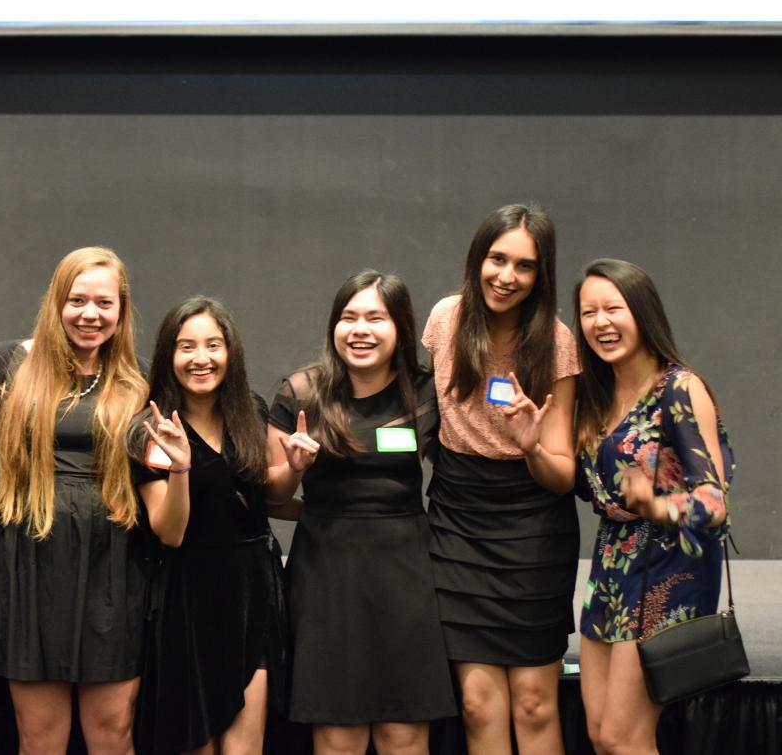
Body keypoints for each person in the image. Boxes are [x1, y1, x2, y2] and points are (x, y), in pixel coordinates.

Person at [266, 270, 455, 755]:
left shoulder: (427, 393)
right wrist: (293, 470)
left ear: (401, 327)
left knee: (403, 733)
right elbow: (269, 495)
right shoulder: (300, 393)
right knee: (338, 734)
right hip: (327, 575)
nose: (360, 329)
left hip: (407, 575)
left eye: (376, 317)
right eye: (348, 317)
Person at [422, 204, 579, 755]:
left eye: (525, 266)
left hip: (533, 519)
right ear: (478, 258)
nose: (506, 277)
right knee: (477, 703)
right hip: (458, 520)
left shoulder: (555, 340)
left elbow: (562, 477)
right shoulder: (445, 319)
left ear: (541, 276)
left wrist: (531, 443)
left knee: (535, 702)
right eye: (497, 259)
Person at [0, 246, 149, 754]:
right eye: (77, 300)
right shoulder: (12, 362)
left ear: (121, 311)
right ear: (56, 302)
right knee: (39, 739)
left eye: (104, 303)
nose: (89, 315)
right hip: (30, 565)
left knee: (114, 734)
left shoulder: (139, 379)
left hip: (113, 567)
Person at [573, 258, 732, 755]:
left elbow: (714, 500)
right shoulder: (596, 396)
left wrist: (659, 506)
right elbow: (593, 487)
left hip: (670, 565)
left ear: (642, 313)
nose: (601, 323)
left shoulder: (678, 389)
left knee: (625, 736)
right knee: (600, 734)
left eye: (613, 308)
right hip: (613, 563)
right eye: (588, 312)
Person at [129, 296, 287, 754]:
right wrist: (181, 468)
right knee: (195, 742)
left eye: (213, 345)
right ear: (168, 356)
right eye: (187, 347)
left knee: (245, 746)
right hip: (188, 597)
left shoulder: (250, 412)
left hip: (252, 594)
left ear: (230, 353)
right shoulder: (149, 428)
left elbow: (264, 499)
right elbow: (170, 532)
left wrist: (294, 469)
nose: (201, 359)